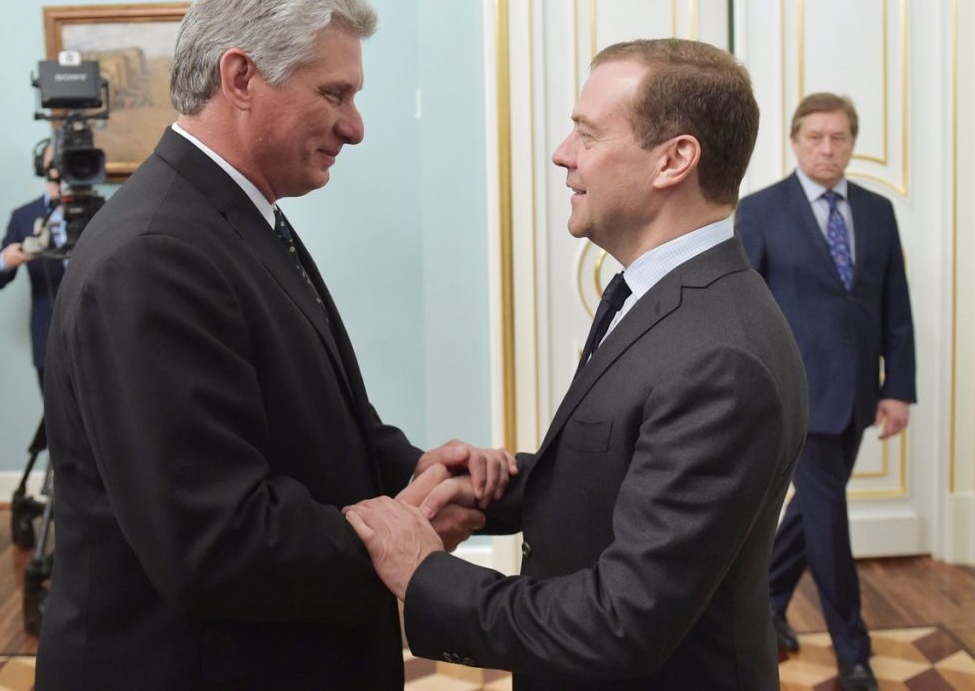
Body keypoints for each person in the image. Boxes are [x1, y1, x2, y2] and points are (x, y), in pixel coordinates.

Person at [36, 0, 515, 691]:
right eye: (334, 93)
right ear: (240, 78)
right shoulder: (156, 254)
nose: (354, 126)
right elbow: (214, 540)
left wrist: (416, 470)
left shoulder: (235, 218)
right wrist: (400, 533)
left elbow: (310, 429)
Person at [345, 38, 809, 690]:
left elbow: (620, 621)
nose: (563, 153)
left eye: (587, 134)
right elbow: (627, 468)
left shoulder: (720, 359)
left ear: (674, 159)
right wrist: (493, 489)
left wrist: (426, 574)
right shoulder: (655, 294)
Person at [735, 92, 916, 691]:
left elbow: (896, 310)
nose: (827, 148)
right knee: (831, 520)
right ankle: (853, 650)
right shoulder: (762, 210)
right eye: (815, 136)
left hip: (859, 393)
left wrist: (899, 389)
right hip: (796, 393)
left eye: (838, 137)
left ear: (853, 142)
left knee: (811, 511)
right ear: (794, 141)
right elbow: (747, 308)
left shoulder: (878, 211)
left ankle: (767, 603)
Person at [0, 142, 64, 392]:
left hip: (98, 336)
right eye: (55, 160)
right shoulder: (24, 216)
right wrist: (5, 259)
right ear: (43, 166)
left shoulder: (100, 211)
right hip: (48, 337)